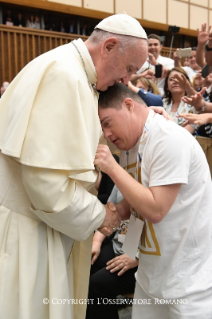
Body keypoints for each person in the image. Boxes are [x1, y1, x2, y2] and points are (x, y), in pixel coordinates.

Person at [0, 14, 148, 319]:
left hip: (48, 224)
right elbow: (47, 185)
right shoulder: (64, 76)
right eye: (129, 69)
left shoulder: (73, 72)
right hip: (32, 230)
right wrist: (103, 217)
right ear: (109, 46)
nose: (126, 81)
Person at [94, 82, 212, 319]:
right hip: (151, 273)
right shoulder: (132, 142)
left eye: (107, 123)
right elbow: (133, 205)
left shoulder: (168, 138)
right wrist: (111, 214)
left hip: (187, 279)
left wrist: (111, 167)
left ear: (128, 105)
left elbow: (156, 209)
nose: (106, 134)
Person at [86, 185, 138, 319]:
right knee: (85, 268)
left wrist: (137, 256)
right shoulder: (125, 175)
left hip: (144, 255)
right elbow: (112, 214)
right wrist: (96, 242)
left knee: (98, 284)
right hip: (120, 244)